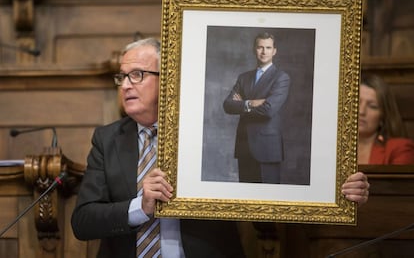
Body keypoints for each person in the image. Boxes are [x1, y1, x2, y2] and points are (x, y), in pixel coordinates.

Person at [71, 37, 370, 258]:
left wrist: (333, 189)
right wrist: (141, 206)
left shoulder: (207, 134)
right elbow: (83, 222)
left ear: (169, 79)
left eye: (137, 75)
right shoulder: (107, 139)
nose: (125, 85)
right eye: (121, 77)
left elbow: (267, 186)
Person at [223, 32, 289, 184]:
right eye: (260, 47)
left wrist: (241, 104)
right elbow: (227, 105)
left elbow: (268, 110)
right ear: (254, 49)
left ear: (274, 51)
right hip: (244, 147)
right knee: (245, 200)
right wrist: (250, 103)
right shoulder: (244, 77)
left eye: (268, 47)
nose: (264, 51)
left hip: (268, 149)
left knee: (269, 201)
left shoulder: (281, 77)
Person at [358, 74, 414, 165]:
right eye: (357, 103)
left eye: (372, 106)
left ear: (383, 116)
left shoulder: (399, 149)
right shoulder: (331, 146)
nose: (361, 111)